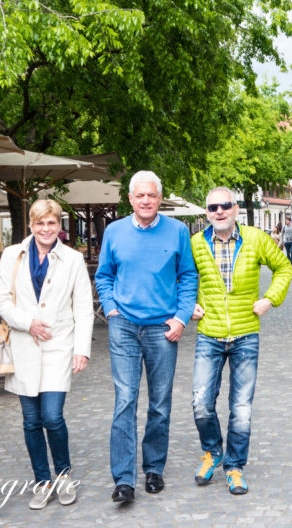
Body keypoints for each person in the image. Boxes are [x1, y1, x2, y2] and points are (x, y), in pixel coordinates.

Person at [95, 171, 198, 504]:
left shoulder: (178, 231)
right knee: (124, 401)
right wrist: (110, 308)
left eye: (151, 195)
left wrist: (182, 318)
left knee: (160, 403)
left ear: (159, 198)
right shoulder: (114, 232)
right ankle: (124, 479)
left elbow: (187, 277)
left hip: (162, 328)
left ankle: (154, 468)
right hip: (123, 325)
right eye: (140, 196)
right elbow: (104, 275)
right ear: (130, 199)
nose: (145, 201)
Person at [190, 187, 292, 495]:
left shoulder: (256, 239)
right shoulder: (195, 243)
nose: (219, 211)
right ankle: (212, 450)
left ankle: (234, 466)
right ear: (206, 212)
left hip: (246, 333)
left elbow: (284, 268)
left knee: (241, 408)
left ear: (235, 209)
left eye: (225, 205)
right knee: (201, 404)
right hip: (209, 333)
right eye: (212, 207)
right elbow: (180, 278)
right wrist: (186, 305)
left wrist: (270, 299)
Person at [0, 198, 93, 510]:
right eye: (40, 223)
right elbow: (0, 299)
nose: (45, 229)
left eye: (51, 223)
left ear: (59, 226)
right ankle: (42, 481)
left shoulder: (73, 260)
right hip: (23, 345)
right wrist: (27, 323)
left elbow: (84, 309)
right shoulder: (13, 255)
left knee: (52, 416)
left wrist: (82, 350)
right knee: (31, 419)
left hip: (58, 346)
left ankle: (63, 475)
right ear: (31, 225)